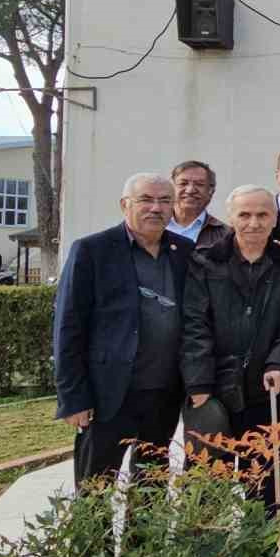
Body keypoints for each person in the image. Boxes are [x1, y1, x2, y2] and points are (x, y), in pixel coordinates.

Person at [53, 172, 193, 487]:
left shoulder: (184, 252)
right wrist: (73, 397)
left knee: (151, 487)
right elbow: (68, 326)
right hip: (107, 395)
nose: (155, 208)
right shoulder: (92, 251)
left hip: (163, 394)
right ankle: (93, 540)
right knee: (95, 488)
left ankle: (142, 540)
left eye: (164, 201)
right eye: (146, 199)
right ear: (124, 205)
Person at [179, 185, 280, 509]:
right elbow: (194, 324)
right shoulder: (205, 261)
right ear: (231, 217)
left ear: (275, 217)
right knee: (208, 478)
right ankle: (207, 553)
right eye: (245, 214)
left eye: (262, 214)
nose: (254, 222)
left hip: (266, 388)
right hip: (213, 388)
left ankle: (259, 554)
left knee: (261, 475)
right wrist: (198, 384)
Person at [169, 160, 231, 249]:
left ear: (211, 191)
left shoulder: (226, 235)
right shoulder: (154, 225)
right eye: (183, 183)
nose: (190, 190)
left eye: (199, 184)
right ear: (171, 189)